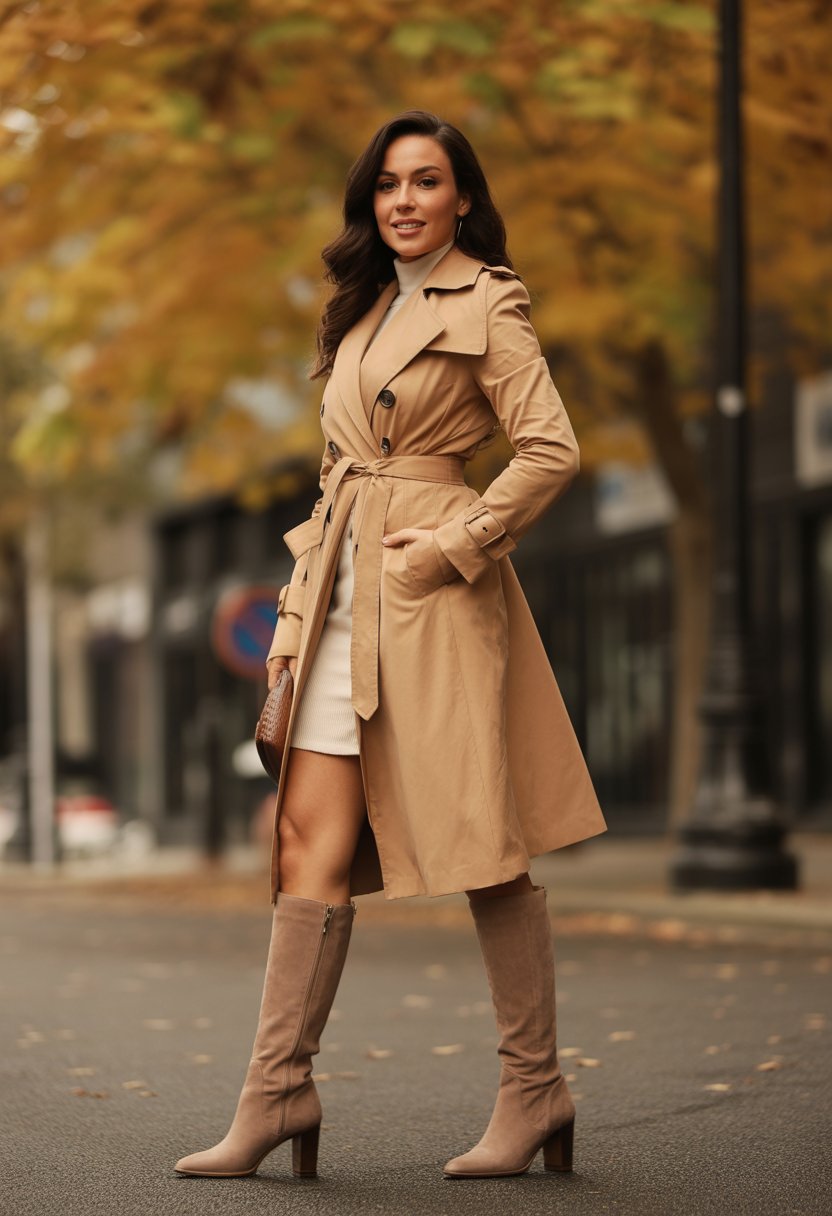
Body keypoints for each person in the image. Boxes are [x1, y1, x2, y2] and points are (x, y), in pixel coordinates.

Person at [174, 109, 607, 1182]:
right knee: (303, 842)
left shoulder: (487, 299)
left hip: (435, 599)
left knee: (482, 847)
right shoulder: (362, 315)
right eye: (386, 185)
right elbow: (331, 488)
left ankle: (533, 1086)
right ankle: (276, 1092)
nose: (404, 200)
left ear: (461, 197)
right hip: (333, 607)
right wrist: (287, 629)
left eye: (425, 181)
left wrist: (458, 540)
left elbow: (550, 448)